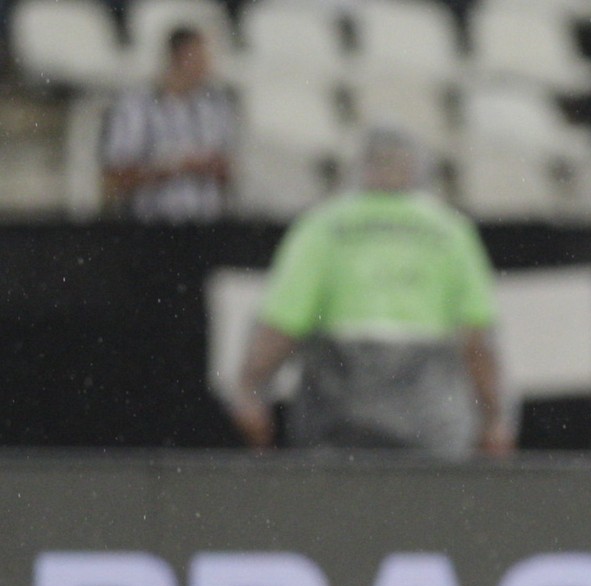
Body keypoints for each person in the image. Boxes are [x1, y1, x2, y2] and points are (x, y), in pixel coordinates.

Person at [231, 128, 513, 458]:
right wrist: (495, 417)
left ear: (359, 168)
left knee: (339, 501)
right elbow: (477, 342)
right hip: (428, 416)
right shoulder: (450, 231)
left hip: (339, 412)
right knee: (431, 503)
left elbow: (280, 326)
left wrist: (250, 391)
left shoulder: (323, 226)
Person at [101, 25, 235, 222]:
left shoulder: (215, 106)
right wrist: (175, 167)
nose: (207, 64)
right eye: (200, 56)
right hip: (150, 228)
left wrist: (214, 168)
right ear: (180, 56)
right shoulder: (136, 106)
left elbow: (227, 172)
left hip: (205, 230)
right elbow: (114, 176)